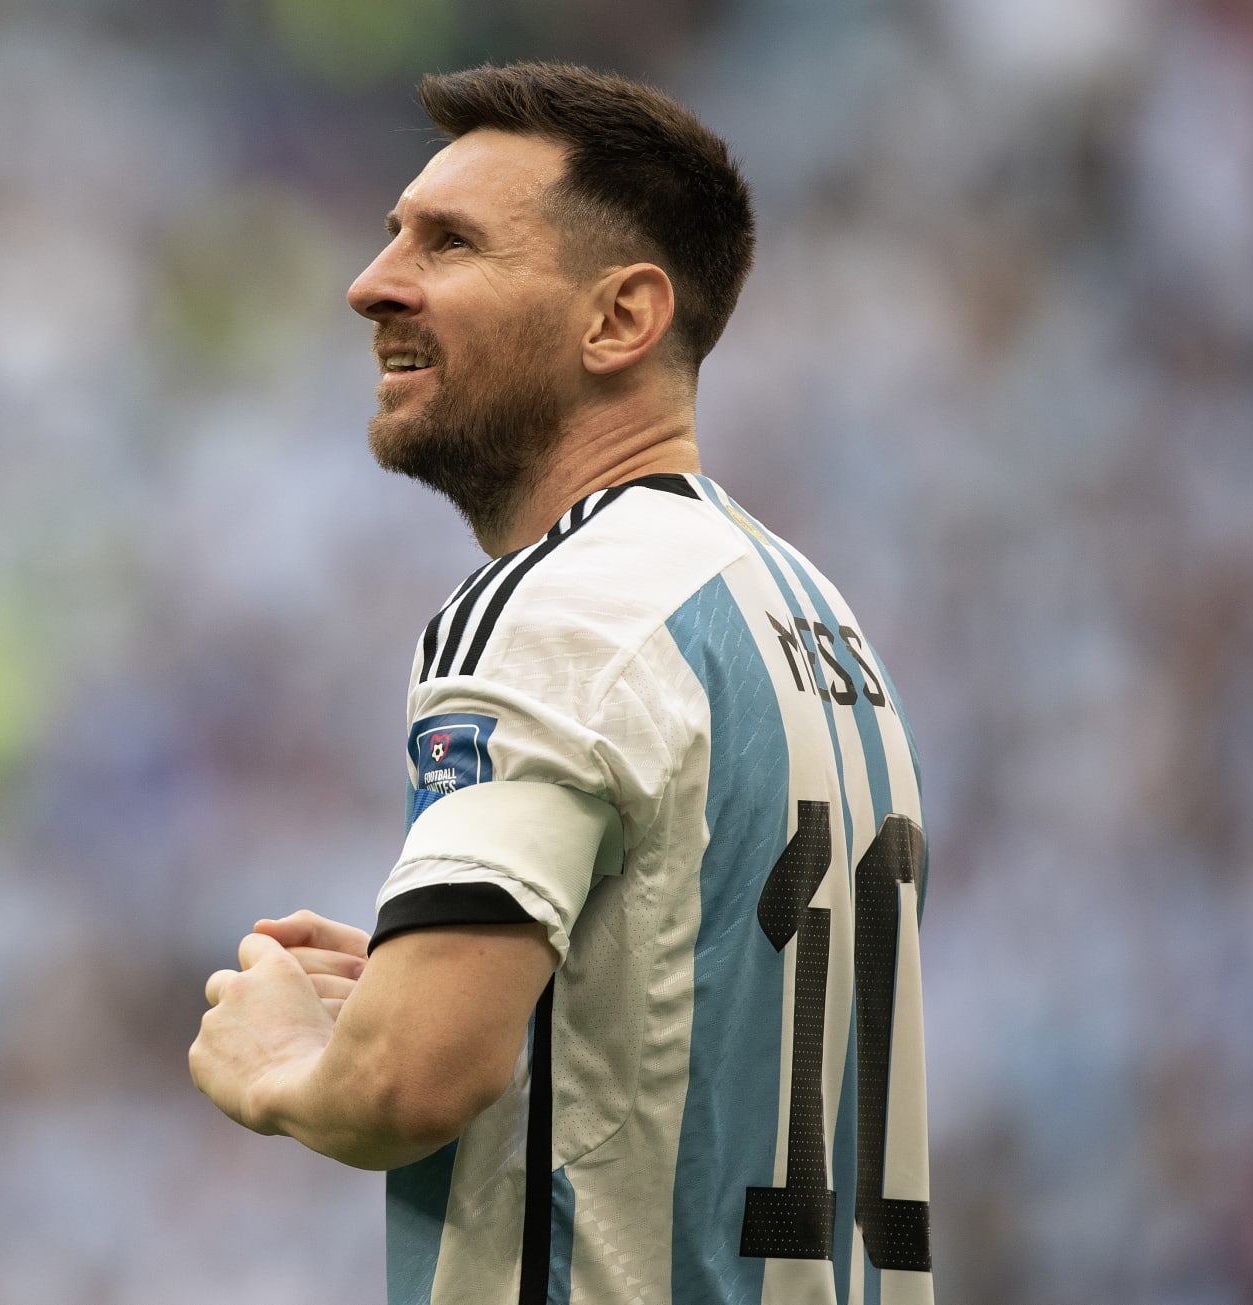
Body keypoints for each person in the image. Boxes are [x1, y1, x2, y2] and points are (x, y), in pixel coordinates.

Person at [189, 61, 934, 1305]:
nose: (373, 285)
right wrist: (447, 989)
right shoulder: (808, 615)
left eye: (452, 243)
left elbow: (407, 1087)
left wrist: (277, 1064)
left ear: (619, 320)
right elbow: (707, 1043)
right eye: (392, 236)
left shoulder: (560, 604)